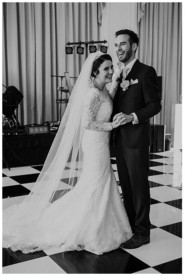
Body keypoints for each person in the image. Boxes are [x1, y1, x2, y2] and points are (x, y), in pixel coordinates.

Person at [3, 53, 132, 255]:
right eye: (106, 69)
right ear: (95, 73)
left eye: (110, 68)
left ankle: (105, 223)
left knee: (101, 180)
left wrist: (116, 80)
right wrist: (111, 125)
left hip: (101, 143)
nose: (110, 71)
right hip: (94, 142)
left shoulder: (103, 90)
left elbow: (110, 98)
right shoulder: (92, 94)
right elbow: (87, 123)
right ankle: (91, 229)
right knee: (97, 181)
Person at [111, 29, 162, 249]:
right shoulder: (118, 74)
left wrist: (132, 117)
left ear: (134, 46)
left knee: (139, 186)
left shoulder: (146, 72)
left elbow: (154, 105)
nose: (119, 49)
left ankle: (143, 232)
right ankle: (131, 226)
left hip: (137, 140)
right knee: (127, 186)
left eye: (122, 44)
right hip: (119, 141)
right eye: (116, 45)